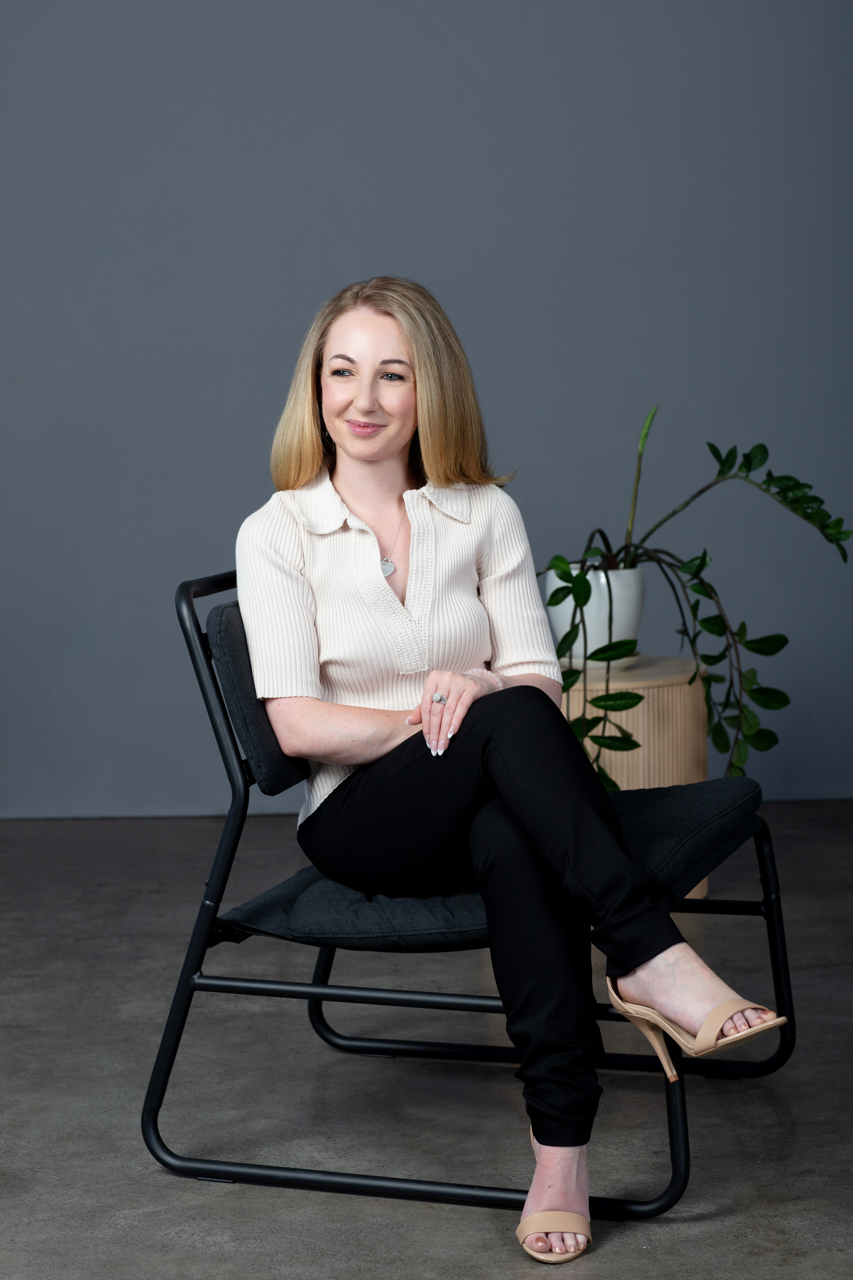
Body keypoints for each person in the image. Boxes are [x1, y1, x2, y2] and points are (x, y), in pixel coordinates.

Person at [236, 277, 784, 1263]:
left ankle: (560, 1153)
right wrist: (435, 707)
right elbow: (294, 724)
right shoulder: (277, 531)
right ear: (313, 387)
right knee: (501, 715)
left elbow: (535, 674)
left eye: (391, 374)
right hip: (363, 819)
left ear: (429, 389)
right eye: (341, 371)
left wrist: (479, 688)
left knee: (511, 821)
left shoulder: (483, 512)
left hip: (486, 801)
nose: (362, 399)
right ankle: (647, 953)